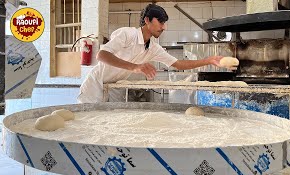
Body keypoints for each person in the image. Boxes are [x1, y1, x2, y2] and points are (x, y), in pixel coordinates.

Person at [78, 4, 237, 103]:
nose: (164, 27)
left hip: (112, 88)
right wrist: (136, 67)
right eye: (161, 22)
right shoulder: (127, 34)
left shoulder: (153, 48)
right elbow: (102, 55)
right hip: (94, 86)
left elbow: (178, 64)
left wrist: (209, 60)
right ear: (147, 20)